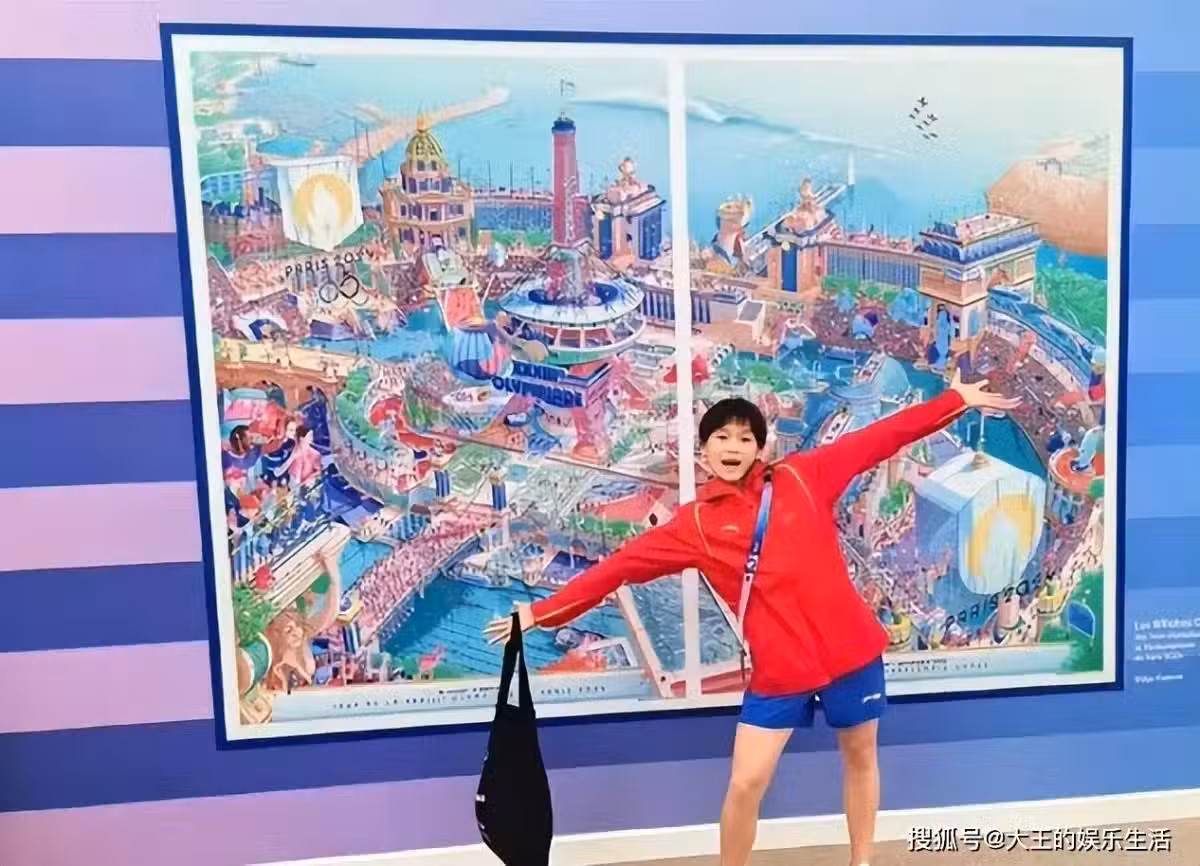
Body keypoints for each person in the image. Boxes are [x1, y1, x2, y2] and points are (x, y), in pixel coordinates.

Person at [484, 369, 1020, 866]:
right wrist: (539, 612)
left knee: (861, 758)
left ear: (760, 447)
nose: (733, 447)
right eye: (722, 437)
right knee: (745, 784)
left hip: (851, 652)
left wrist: (955, 400)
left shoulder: (804, 476)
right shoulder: (695, 525)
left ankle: (862, 861)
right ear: (704, 450)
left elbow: (880, 438)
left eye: (745, 438)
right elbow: (619, 567)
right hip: (779, 672)